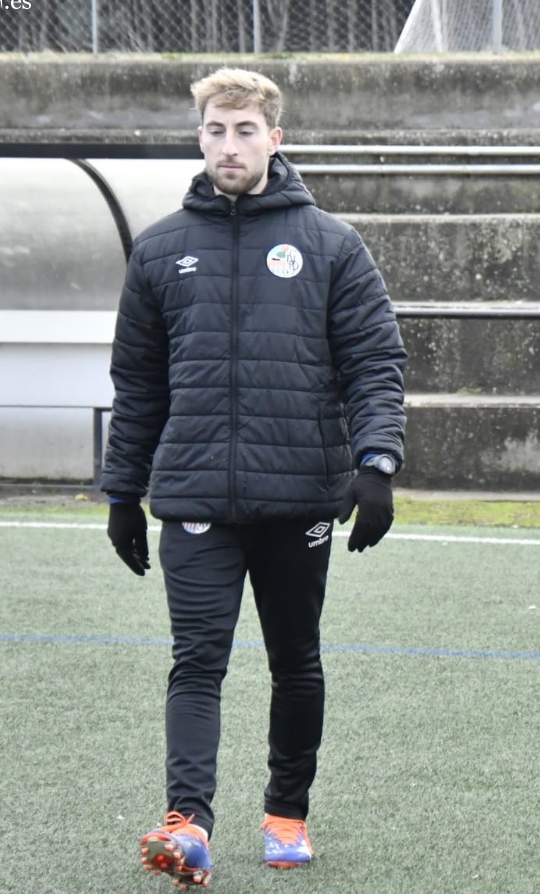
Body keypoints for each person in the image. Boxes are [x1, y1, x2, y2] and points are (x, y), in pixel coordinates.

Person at [100, 67, 406, 889]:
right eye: (214, 131)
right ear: (198, 138)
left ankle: (285, 813)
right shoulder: (161, 249)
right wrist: (122, 493)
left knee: (294, 660)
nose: (228, 146)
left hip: (300, 495)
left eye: (243, 131)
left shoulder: (332, 245)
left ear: (276, 137)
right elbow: (138, 384)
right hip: (195, 497)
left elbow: (376, 365)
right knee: (195, 660)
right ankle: (188, 822)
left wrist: (375, 464)